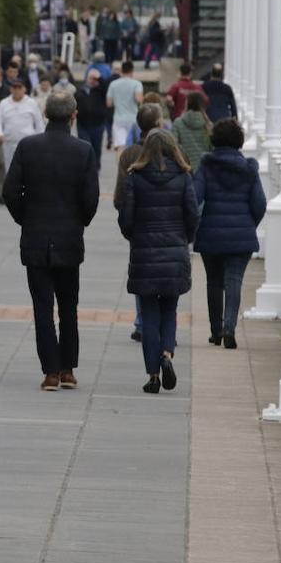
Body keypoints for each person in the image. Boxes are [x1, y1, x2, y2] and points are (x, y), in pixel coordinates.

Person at [3, 90, 100, 391]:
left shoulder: (27, 146)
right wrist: (79, 221)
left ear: (44, 114)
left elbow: (10, 191)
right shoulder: (83, 150)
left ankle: (50, 371)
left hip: (36, 237)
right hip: (69, 237)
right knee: (69, 305)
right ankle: (68, 369)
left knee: (42, 307)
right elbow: (91, 197)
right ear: (74, 115)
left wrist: (26, 217)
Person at [118, 130, 199, 394]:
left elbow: (126, 218)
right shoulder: (184, 176)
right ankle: (167, 354)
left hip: (144, 252)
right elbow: (192, 214)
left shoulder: (135, 177)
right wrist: (185, 239)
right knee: (170, 310)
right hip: (174, 252)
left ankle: (153, 375)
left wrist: (134, 237)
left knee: (149, 314)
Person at [193, 119, 266, 349]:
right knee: (234, 281)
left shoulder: (206, 167)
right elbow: (260, 204)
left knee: (214, 282)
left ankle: (215, 331)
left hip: (211, 234)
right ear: (239, 142)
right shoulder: (249, 170)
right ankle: (229, 328)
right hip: (241, 236)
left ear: (214, 140)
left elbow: (195, 198)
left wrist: (196, 225)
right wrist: (249, 225)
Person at [113, 102, 166, 343]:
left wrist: (127, 223)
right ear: (159, 124)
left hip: (140, 226)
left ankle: (142, 323)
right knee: (167, 274)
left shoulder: (129, 155)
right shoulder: (171, 152)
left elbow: (120, 196)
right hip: (168, 225)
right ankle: (165, 326)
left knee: (142, 273)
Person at [0, 77, 45, 174]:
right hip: (9, 143)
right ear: (11, 89)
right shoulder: (4, 103)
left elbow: (39, 123)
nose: (17, 90)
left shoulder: (31, 103)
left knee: (28, 169)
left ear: (24, 89)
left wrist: (39, 141)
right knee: (10, 170)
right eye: (14, 87)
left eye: (19, 87)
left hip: (28, 144)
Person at [106, 61, 144, 152]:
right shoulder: (137, 84)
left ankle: (120, 161)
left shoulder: (113, 84)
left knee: (120, 146)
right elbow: (139, 99)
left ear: (121, 70)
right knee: (136, 147)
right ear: (132, 70)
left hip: (118, 119)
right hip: (133, 119)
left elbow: (109, 103)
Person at [75, 68, 109, 165]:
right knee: (85, 147)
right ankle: (85, 167)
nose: (93, 81)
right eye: (91, 78)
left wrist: (99, 78)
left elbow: (107, 87)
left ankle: (96, 167)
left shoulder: (101, 90)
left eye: (95, 79)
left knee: (96, 148)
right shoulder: (79, 91)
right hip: (82, 126)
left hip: (98, 125)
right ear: (86, 78)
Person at [172, 90, 213, 169]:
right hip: (204, 169)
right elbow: (213, 149)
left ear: (187, 104)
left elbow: (173, 146)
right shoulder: (208, 125)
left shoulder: (178, 123)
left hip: (184, 168)